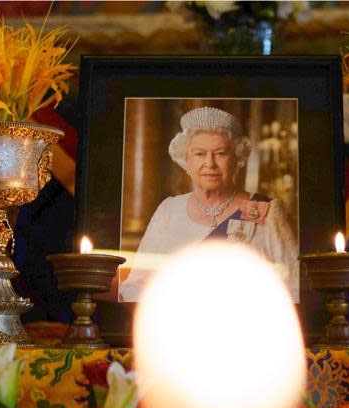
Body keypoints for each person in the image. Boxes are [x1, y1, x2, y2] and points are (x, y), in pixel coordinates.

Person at [119, 106, 299, 302]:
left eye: (220, 153)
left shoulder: (268, 212)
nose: (210, 163)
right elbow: (135, 287)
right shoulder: (168, 211)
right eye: (199, 154)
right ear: (186, 161)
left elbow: (293, 290)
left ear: (237, 159)